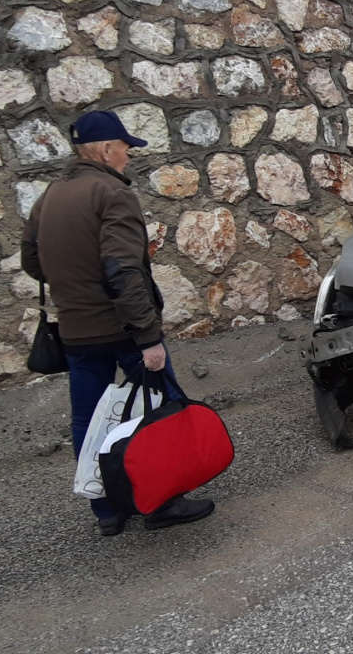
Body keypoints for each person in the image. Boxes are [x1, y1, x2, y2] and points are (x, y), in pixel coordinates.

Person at [21, 110, 215, 536]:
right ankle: (160, 503)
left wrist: (75, 287)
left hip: (75, 330)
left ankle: (106, 509)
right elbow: (123, 270)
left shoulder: (50, 195)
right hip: (123, 329)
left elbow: (32, 262)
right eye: (125, 148)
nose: (128, 156)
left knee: (88, 419)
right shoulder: (112, 193)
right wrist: (149, 338)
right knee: (161, 410)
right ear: (107, 149)